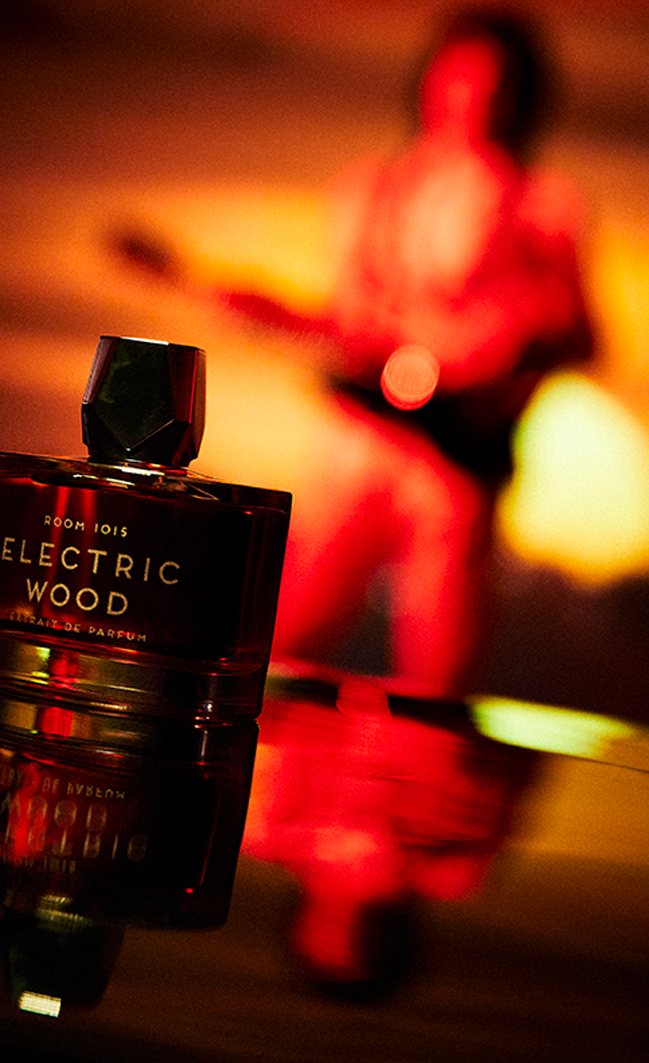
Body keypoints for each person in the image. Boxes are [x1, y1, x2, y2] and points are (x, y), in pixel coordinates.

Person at [242, 8, 594, 996]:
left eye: (495, 88)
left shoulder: (543, 206)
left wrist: (506, 338)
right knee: (286, 645)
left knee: (434, 679)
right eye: (459, 81)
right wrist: (284, 317)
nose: (472, 104)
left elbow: (577, 330)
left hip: (453, 467)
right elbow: (346, 315)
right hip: (359, 450)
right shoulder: (372, 189)